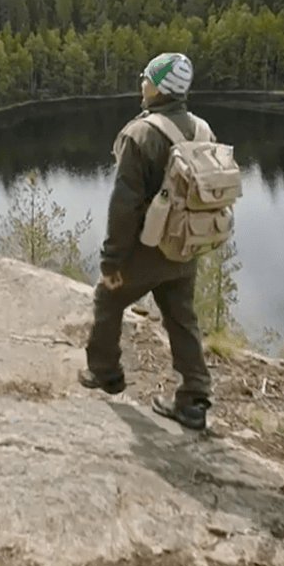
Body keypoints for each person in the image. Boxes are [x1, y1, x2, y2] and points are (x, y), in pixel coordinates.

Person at [79, 51, 213, 430]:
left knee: (107, 298)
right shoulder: (202, 130)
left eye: (147, 77)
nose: (141, 82)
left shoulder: (140, 134)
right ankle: (194, 399)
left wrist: (112, 261)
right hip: (185, 249)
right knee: (181, 318)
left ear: (161, 87)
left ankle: (105, 374)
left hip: (145, 252)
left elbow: (124, 207)